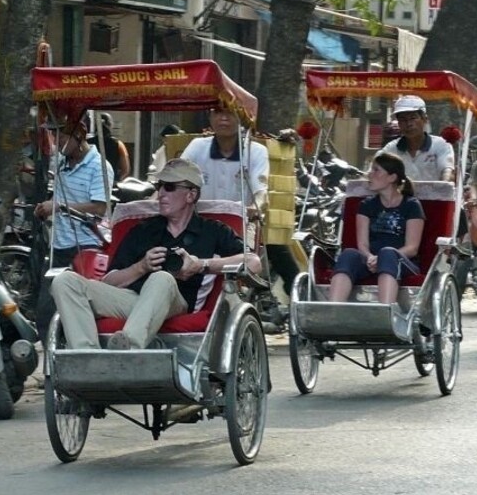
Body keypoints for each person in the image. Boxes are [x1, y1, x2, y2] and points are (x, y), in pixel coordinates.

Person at [50, 159, 260, 350]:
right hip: (132, 301)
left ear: (191, 194)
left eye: (169, 187)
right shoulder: (144, 230)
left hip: (177, 303)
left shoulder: (212, 231)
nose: (161, 194)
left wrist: (201, 265)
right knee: (64, 281)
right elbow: (109, 281)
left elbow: (253, 262)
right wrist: (141, 267)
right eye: (159, 187)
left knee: (162, 278)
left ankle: (128, 349)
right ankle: (86, 357)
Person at [181, 106, 298, 331]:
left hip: (239, 224)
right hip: (199, 224)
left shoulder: (255, 151)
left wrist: (256, 206)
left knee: (273, 252)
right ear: (210, 117)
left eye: (230, 113)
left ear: (242, 119)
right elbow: (179, 175)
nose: (223, 118)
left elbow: (260, 189)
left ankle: (273, 300)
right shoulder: (197, 147)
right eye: (218, 113)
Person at [34, 118, 113, 338]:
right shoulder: (60, 162)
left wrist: (58, 207)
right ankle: (51, 366)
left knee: (81, 310)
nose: (57, 143)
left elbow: (99, 207)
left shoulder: (100, 166)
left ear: (80, 133)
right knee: (45, 311)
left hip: (87, 248)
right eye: (54, 136)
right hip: (58, 247)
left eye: (62, 137)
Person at [328, 154, 424, 305]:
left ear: (392, 177)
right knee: (349, 254)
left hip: (402, 260)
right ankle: (333, 310)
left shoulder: (411, 205)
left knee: (387, 253)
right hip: (370, 260)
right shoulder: (366, 205)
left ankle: (385, 311)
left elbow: (412, 248)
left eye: (376, 170)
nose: (369, 175)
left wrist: (382, 258)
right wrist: (370, 257)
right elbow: (363, 244)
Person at [378, 95, 455, 182]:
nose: (408, 124)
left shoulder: (441, 145)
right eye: (403, 120)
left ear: (425, 119)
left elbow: (447, 171)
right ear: (399, 123)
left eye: (413, 118)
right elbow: (373, 170)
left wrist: (444, 184)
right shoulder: (391, 149)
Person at [96, 113, 132, 180]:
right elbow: (125, 169)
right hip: (112, 182)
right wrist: (117, 181)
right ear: (110, 125)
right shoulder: (118, 144)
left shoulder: (88, 143)